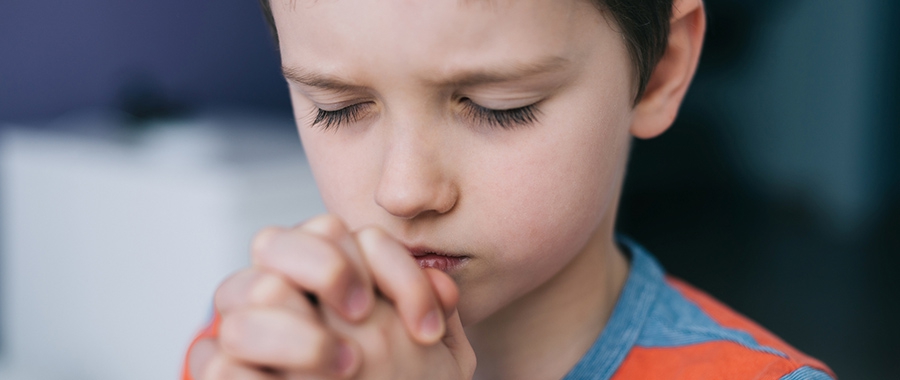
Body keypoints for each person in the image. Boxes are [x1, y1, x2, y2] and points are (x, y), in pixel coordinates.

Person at [183, 0, 835, 378]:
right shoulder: (269, 346)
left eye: (499, 105)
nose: (404, 191)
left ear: (660, 70)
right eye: (338, 106)